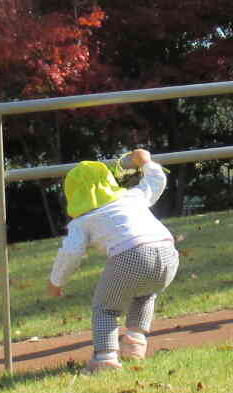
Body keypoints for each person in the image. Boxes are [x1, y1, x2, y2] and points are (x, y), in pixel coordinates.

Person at [47, 149, 179, 371]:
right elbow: (156, 181)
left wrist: (56, 282)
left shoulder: (83, 221)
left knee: (105, 308)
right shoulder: (132, 197)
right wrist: (146, 162)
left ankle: (105, 358)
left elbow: (71, 253)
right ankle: (135, 344)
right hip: (168, 252)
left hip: (131, 255)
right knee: (145, 294)